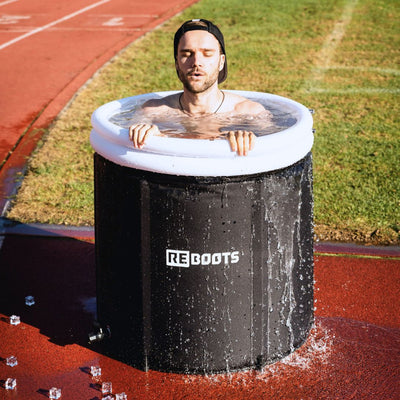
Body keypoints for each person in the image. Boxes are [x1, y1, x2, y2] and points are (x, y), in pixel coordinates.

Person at [129, 19, 269, 156]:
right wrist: (152, 137)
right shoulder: (152, 111)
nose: (196, 62)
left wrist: (249, 139)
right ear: (177, 63)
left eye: (207, 54)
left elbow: (272, 145)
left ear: (221, 62)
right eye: (187, 54)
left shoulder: (250, 112)